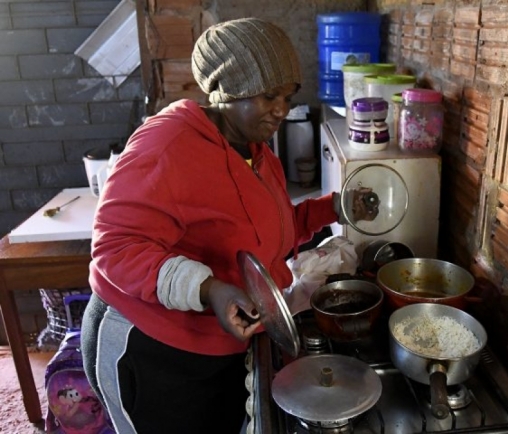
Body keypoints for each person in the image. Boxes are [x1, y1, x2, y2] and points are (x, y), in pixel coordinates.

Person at [80, 17, 377, 434]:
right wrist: (210, 289)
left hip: (219, 344)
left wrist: (336, 208)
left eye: (287, 96)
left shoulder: (253, 150)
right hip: (151, 351)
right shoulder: (166, 146)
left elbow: (269, 231)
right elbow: (117, 250)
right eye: (268, 96)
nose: (282, 109)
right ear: (224, 89)